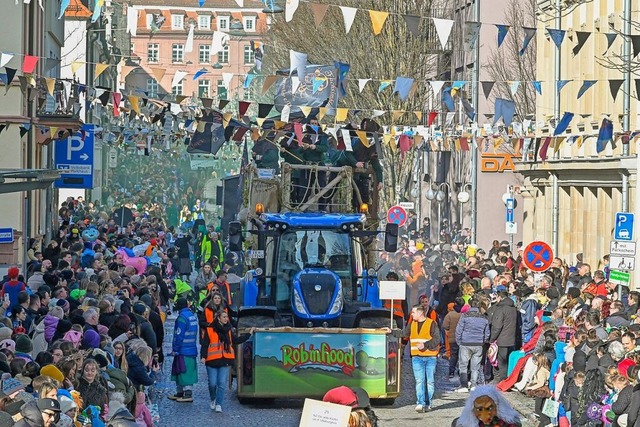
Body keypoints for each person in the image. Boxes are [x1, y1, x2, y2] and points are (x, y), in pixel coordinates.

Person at [200, 309, 252, 413]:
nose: (226, 319)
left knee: (221, 383)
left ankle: (219, 404)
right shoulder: (210, 329)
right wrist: (203, 356)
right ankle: (213, 399)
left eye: (227, 317)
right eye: (224, 317)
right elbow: (205, 344)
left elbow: (235, 341)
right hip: (212, 360)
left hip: (225, 360)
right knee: (212, 383)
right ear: (218, 318)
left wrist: (248, 335)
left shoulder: (228, 330)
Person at [403, 304, 440, 412]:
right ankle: (420, 403)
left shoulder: (432, 323)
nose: (411, 314)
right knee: (419, 380)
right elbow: (404, 333)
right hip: (417, 357)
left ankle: (428, 403)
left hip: (430, 357)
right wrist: (391, 331)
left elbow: (437, 339)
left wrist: (426, 345)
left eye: (413, 312)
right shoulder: (412, 324)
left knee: (430, 381)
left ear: (420, 313)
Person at [456, 297, 490, 393]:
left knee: (463, 365)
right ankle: (474, 384)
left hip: (465, 343)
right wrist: (484, 341)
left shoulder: (465, 316)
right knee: (475, 366)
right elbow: (487, 332)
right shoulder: (484, 318)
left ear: (470, 305)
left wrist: (459, 341)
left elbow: (459, 330)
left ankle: (464, 385)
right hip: (478, 344)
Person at [169, 298, 199, 403]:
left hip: (183, 350)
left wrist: (175, 349)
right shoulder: (192, 316)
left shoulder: (182, 318)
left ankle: (187, 394)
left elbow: (179, 335)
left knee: (183, 371)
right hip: (191, 349)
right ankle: (181, 393)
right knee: (187, 371)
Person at [452, 385, 521, 427]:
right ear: (472, 409)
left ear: (497, 407)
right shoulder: (462, 425)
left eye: (489, 408)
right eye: (479, 409)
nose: (485, 415)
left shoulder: (511, 423)